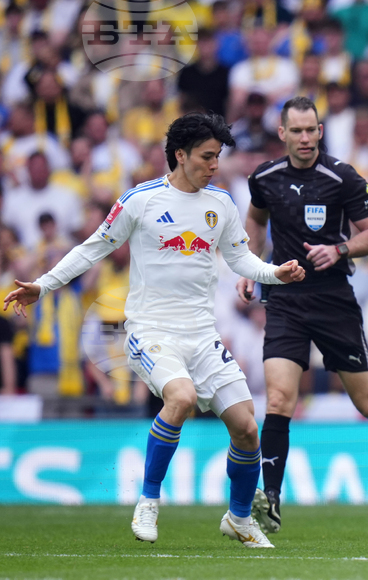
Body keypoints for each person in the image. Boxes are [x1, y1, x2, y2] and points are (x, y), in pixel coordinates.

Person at [3, 113, 306, 547]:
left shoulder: (221, 204)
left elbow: (241, 260)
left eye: (217, 157)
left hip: (202, 335)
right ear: (180, 155)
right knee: (180, 397)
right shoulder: (140, 201)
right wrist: (44, 285)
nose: (214, 165)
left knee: (247, 427)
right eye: (206, 157)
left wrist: (276, 273)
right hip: (151, 330)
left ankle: (239, 518)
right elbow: (92, 249)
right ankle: (148, 501)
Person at [237, 96, 368, 534]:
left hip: (333, 301)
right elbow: (254, 221)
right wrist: (249, 266)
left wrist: (340, 248)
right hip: (285, 299)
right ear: (283, 133)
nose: (305, 138)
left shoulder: (343, 177)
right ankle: (271, 499)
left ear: (320, 132)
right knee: (279, 399)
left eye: (312, 130)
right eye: (297, 131)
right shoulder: (264, 178)